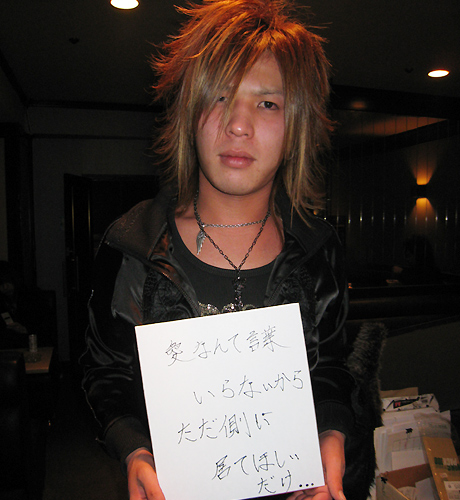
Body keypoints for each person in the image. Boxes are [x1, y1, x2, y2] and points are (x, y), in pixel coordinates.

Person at [81, 1, 369, 499]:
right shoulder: (133, 245)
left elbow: (330, 367)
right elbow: (104, 372)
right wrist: (133, 449)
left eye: (267, 103)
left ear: (297, 124)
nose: (238, 124)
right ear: (188, 114)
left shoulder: (317, 249)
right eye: (218, 97)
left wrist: (330, 435)